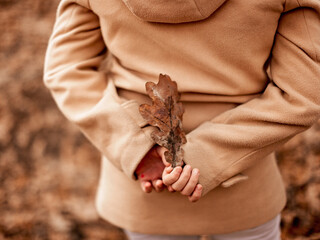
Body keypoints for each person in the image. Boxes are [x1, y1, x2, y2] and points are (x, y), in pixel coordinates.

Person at [43, 0, 320, 239]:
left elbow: (66, 71)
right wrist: (199, 158)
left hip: (145, 186)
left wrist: (136, 148)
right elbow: (303, 93)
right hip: (243, 184)